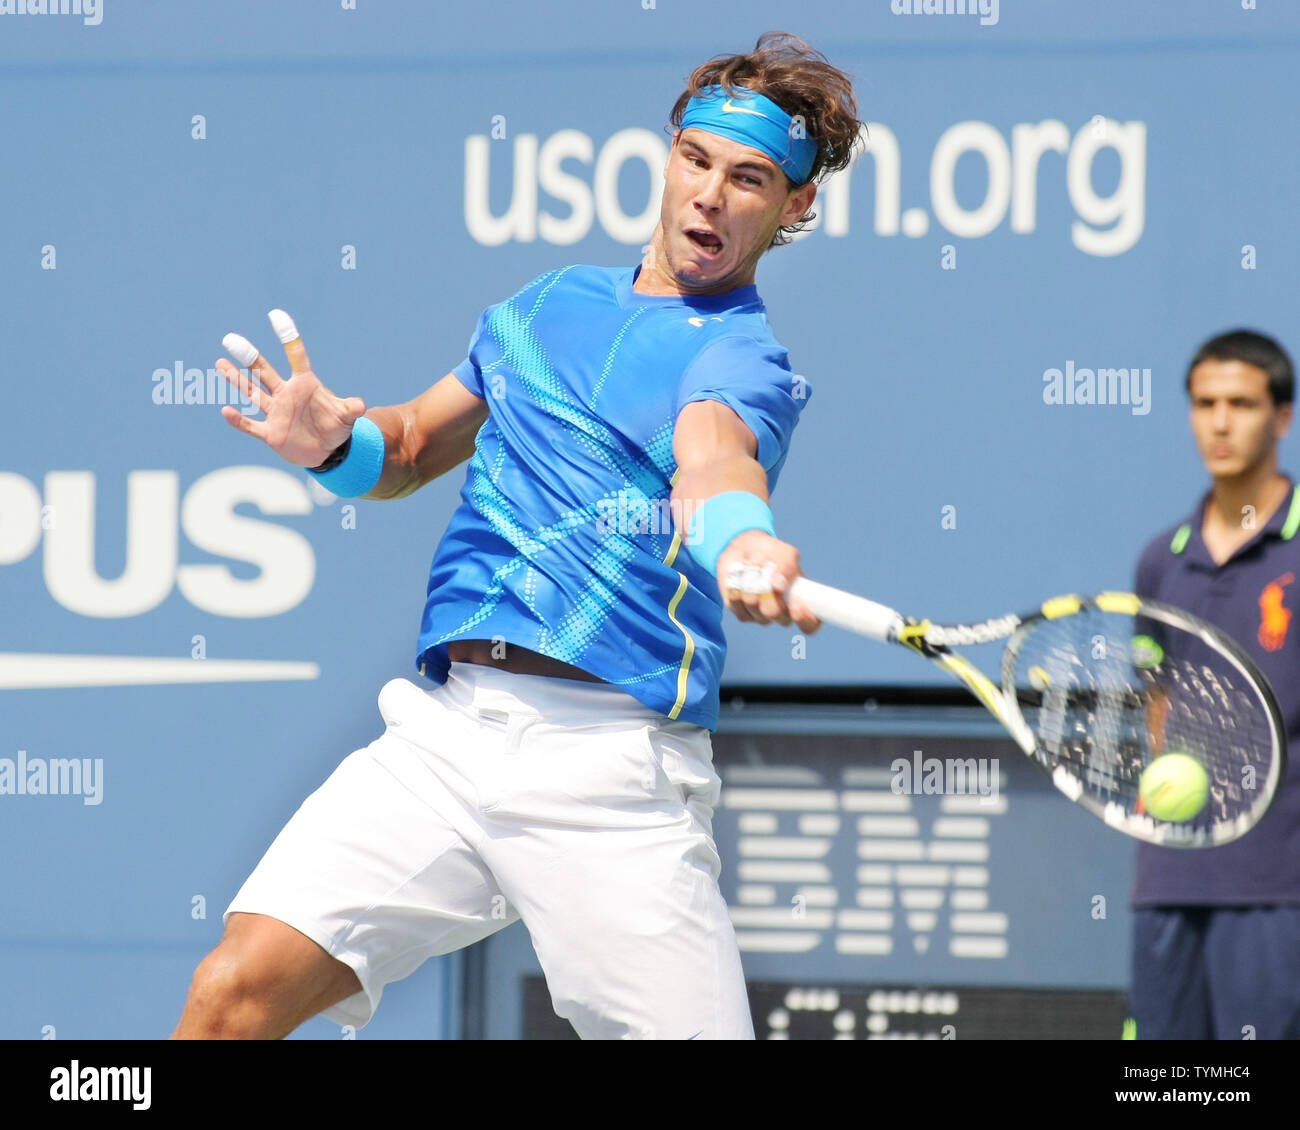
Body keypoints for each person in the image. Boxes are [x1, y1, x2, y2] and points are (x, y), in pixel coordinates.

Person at [171, 31, 863, 1040]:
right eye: (697, 160)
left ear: (794, 205)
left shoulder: (740, 358)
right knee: (231, 990)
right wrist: (334, 445)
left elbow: (714, 467)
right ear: (670, 154)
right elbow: (406, 447)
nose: (711, 194)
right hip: (445, 737)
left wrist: (741, 541)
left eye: (751, 178)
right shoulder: (545, 305)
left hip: (611, 774)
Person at [1129, 329, 1300, 1040]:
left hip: (1281, 889)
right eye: (1205, 403)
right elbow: (1158, 712)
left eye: (1241, 403)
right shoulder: (1159, 563)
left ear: (1282, 416)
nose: (1220, 423)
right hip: (1169, 885)